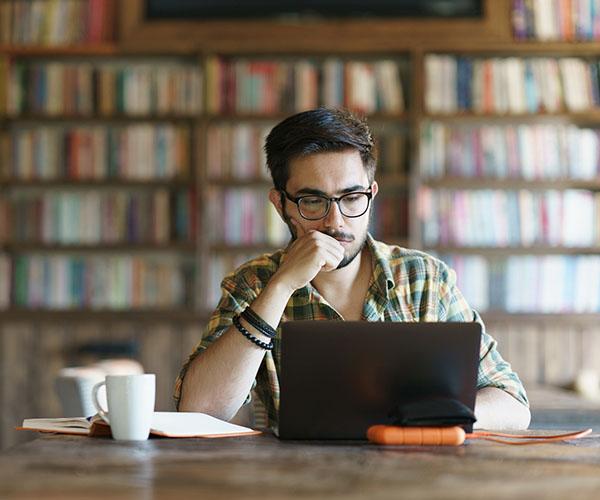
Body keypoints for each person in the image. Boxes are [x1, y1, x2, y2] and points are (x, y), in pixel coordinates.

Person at [175, 108, 530, 430]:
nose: (336, 221)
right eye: (312, 201)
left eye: (351, 198)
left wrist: (431, 418)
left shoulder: (424, 279)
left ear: (372, 194)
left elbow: (513, 404)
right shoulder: (254, 283)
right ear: (280, 203)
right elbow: (199, 409)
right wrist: (280, 287)